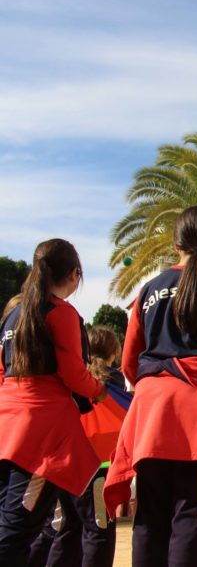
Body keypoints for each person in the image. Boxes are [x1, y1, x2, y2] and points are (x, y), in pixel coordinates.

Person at [103, 205, 197, 567]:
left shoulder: (147, 291)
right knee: (194, 519)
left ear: (175, 244)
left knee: (150, 519)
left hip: (150, 416)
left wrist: (153, 391)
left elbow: (128, 361)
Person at [0, 240, 105, 566]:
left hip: (6, 428)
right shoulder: (62, 314)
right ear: (75, 274)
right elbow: (74, 374)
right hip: (40, 439)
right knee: (14, 534)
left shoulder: (12, 316)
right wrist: (98, 390)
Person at [30, 326, 124, 567]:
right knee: (99, 530)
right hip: (98, 466)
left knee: (67, 528)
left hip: (66, 461)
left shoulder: (72, 376)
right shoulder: (113, 378)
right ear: (113, 351)